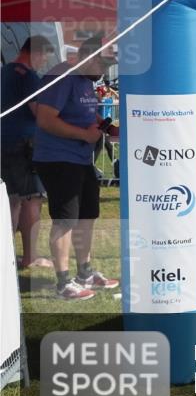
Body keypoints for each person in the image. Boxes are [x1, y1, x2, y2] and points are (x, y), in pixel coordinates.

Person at [33, 35, 119, 300]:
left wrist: (106, 127)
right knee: (65, 220)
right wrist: (84, 136)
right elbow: (45, 119)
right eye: (102, 64)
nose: (104, 71)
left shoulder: (85, 79)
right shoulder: (62, 76)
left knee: (87, 215)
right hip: (58, 159)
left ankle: (85, 272)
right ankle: (63, 283)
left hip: (80, 160)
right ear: (88, 57)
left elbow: (85, 111)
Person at [1, 35, 55, 269]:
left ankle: (7, 256)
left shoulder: (4, 72)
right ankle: (29, 257)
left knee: (11, 199)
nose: (43, 63)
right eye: (44, 58)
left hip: (4, 142)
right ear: (36, 52)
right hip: (24, 144)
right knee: (31, 200)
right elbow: (39, 113)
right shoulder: (29, 76)